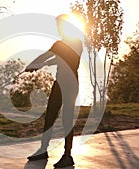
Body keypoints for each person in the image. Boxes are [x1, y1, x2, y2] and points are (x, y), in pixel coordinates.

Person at [25, 14, 83, 168]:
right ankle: (43, 150)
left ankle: (67, 155)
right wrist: (33, 64)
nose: (58, 28)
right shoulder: (59, 43)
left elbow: (62, 59)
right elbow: (46, 54)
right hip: (59, 83)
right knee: (49, 116)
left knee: (67, 120)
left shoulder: (76, 43)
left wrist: (41, 64)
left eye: (60, 25)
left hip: (70, 84)